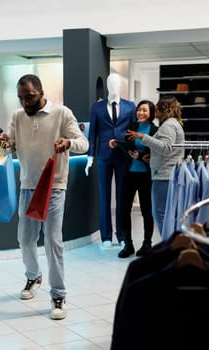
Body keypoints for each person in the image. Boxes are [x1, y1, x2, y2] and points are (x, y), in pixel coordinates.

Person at [0, 74, 88, 320]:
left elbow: (84, 143)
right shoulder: (17, 116)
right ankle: (33, 276)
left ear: (40, 92)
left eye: (29, 97)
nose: (25, 103)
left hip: (54, 186)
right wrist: (3, 143)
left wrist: (68, 142)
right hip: (27, 185)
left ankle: (58, 294)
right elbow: (8, 146)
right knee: (25, 239)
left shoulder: (62, 113)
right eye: (21, 98)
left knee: (52, 241)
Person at [85, 73, 136, 249]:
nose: (114, 87)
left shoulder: (130, 107)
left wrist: (134, 151)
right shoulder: (97, 107)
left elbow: (133, 132)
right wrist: (90, 156)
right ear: (107, 86)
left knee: (122, 197)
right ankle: (105, 236)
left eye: (117, 83)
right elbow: (93, 135)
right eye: (111, 83)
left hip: (124, 156)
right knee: (104, 197)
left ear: (121, 85)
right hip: (103, 157)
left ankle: (122, 235)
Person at [127, 95, 184, 237]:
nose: (155, 111)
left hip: (163, 174)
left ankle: (166, 248)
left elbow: (165, 147)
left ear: (165, 109)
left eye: (157, 108)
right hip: (167, 173)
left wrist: (142, 137)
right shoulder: (173, 124)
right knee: (166, 213)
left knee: (160, 213)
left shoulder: (168, 125)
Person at [109, 100, 157, 258]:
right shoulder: (133, 127)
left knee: (146, 210)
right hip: (129, 173)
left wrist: (141, 156)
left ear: (151, 113)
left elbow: (157, 151)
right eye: (139, 110)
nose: (140, 113)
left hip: (146, 175)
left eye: (144, 110)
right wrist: (117, 143)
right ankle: (128, 244)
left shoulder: (155, 130)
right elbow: (128, 147)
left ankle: (147, 244)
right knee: (124, 209)